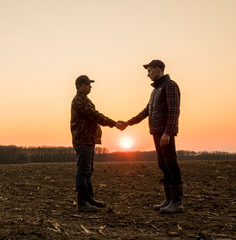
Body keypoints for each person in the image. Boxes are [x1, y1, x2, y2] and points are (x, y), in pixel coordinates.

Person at [118, 60, 183, 214]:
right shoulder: (155, 91)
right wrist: (128, 123)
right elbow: (146, 111)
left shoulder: (170, 85)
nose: (147, 75)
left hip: (165, 133)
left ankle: (177, 202)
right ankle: (169, 199)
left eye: (149, 71)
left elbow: (174, 110)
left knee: (171, 164)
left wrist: (168, 132)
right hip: (156, 131)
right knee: (163, 164)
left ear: (158, 69)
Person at [71, 75, 125, 212]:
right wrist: (114, 123)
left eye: (90, 84)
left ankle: (89, 199)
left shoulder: (85, 100)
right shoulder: (79, 101)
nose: (90, 86)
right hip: (83, 139)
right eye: (87, 84)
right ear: (79, 86)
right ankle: (82, 203)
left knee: (88, 170)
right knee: (83, 170)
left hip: (88, 139)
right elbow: (95, 115)